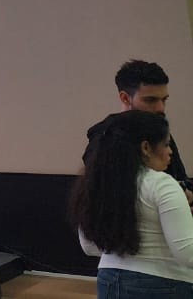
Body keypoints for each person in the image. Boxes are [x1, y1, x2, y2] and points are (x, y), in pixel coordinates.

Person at [73, 109, 193, 296]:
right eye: (166, 144)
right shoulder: (162, 184)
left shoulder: (97, 184)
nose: (170, 152)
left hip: (108, 281)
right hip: (164, 284)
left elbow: (89, 246)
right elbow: (188, 254)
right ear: (145, 147)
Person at [86, 60, 193, 205]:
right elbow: (110, 195)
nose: (161, 108)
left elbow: (180, 178)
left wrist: (184, 194)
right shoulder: (104, 137)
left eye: (164, 100)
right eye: (151, 100)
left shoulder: (159, 132)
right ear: (125, 98)